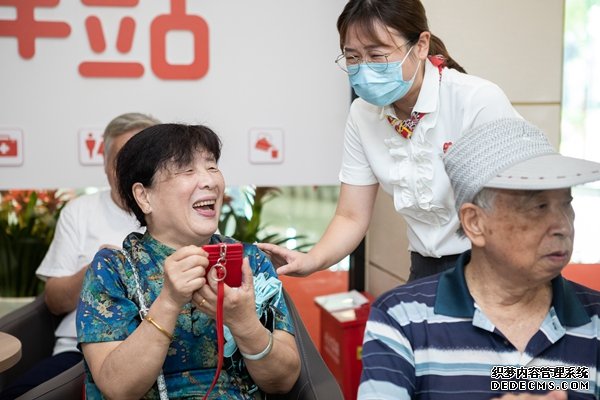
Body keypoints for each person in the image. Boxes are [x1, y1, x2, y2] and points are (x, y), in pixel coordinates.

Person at [258, 0, 520, 281]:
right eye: (353, 58)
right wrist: (312, 260)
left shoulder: (475, 101)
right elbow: (351, 216)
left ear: (420, 45)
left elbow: (519, 206)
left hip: (494, 262)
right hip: (425, 266)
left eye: (377, 55)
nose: (364, 68)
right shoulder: (363, 114)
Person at [357, 118, 600, 399]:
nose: (562, 225)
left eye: (566, 204)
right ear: (474, 223)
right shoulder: (403, 317)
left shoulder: (594, 320)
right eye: (539, 207)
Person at [76, 123, 301, 399]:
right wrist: (169, 301)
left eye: (211, 166)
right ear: (144, 196)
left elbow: (285, 381)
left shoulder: (248, 262)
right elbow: (117, 387)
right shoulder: (114, 270)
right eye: (187, 170)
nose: (208, 181)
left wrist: (244, 323)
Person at [0, 112, 160, 400]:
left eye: (140, 162)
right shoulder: (80, 212)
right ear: (105, 165)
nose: (130, 172)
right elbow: (54, 301)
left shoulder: (175, 211)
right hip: (77, 349)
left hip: (159, 351)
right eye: (121, 161)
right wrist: (98, 270)